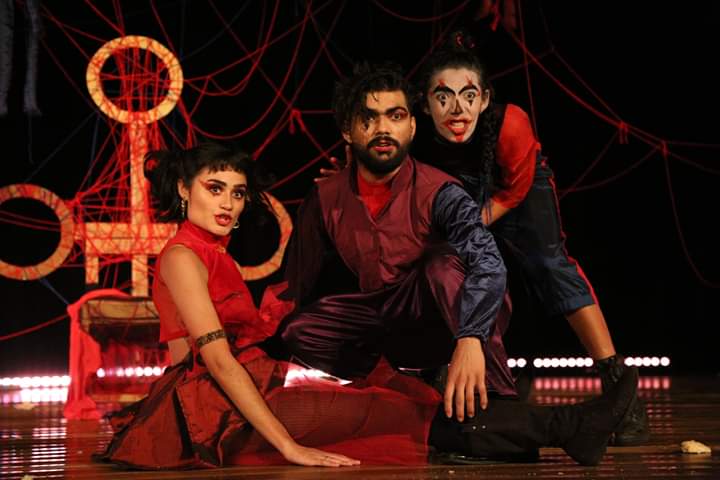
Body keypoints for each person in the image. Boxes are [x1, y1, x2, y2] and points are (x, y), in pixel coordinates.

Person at [91, 140, 638, 469]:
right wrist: (286, 446)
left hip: (235, 400)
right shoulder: (183, 257)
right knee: (406, 415)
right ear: (183, 190)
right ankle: (571, 425)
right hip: (229, 412)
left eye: (236, 192)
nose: (229, 203)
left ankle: (560, 430)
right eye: (215, 188)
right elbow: (213, 361)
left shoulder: (211, 253)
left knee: (407, 402)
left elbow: (191, 354)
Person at [409, 31, 649, 446]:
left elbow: (512, 193)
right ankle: (472, 377)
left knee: (551, 267)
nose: (457, 108)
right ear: (425, 103)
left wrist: (470, 225)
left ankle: (619, 385)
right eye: (443, 96)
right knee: (438, 266)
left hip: (514, 189)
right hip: (459, 194)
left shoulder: (510, 123)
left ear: (485, 99)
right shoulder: (415, 131)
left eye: (469, 95)